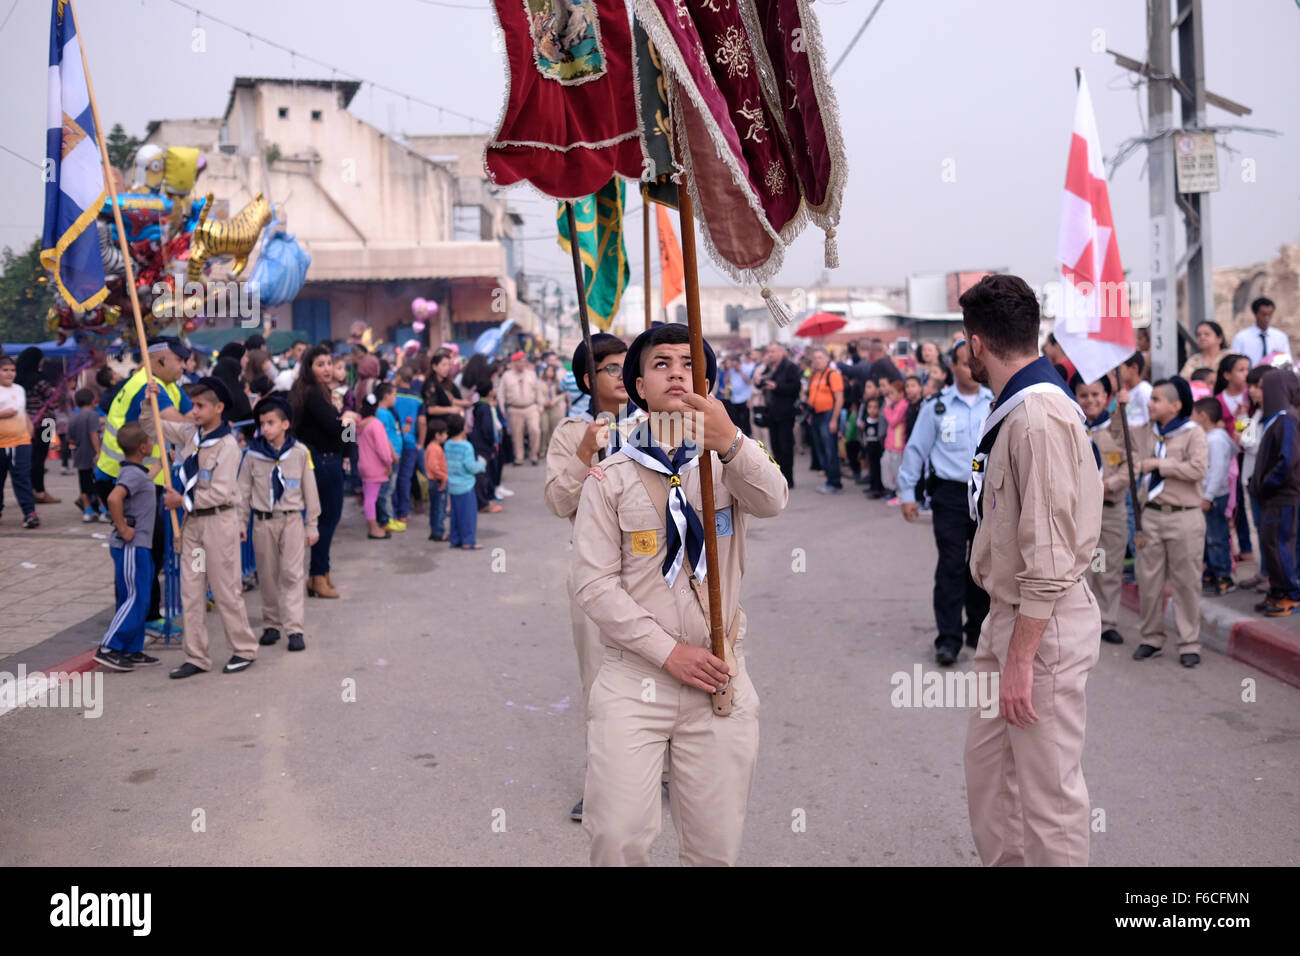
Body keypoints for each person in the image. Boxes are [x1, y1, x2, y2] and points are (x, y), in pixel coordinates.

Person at [571, 322, 788, 866]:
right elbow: (593, 583)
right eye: (661, 363)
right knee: (617, 836)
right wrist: (668, 652)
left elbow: (773, 501)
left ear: (709, 383)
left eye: (690, 364)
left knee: (714, 847)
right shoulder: (610, 476)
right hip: (635, 677)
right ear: (637, 385)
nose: (676, 373)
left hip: (718, 676)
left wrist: (732, 441)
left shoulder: (730, 461)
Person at [960, 274, 1103, 867]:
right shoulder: (1017, 405)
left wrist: (1020, 658)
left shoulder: (1037, 416)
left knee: (1048, 800)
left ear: (975, 344)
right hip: (1008, 616)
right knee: (991, 782)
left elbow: (1046, 556)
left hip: (1039, 625)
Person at [543, 332, 630, 822]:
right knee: (601, 681)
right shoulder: (571, 432)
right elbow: (558, 501)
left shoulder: (654, 425)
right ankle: (603, 782)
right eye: (610, 368)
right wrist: (584, 453)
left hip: (654, 570)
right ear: (586, 380)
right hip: (596, 573)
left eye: (626, 365)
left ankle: (661, 766)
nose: (622, 375)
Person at [158, 377, 261, 679]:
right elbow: (156, 427)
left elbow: (219, 492)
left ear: (219, 408)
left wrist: (182, 501)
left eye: (201, 406)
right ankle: (197, 655)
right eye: (193, 405)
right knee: (191, 590)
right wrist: (148, 400)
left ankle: (243, 649)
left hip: (217, 523)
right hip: (194, 528)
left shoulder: (228, 446)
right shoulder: (192, 434)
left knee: (226, 589)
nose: (195, 411)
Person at [899, 340, 994, 665]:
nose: (974, 368)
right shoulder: (936, 406)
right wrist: (907, 493)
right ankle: (949, 638)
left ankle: (978, 630)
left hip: (987, 495)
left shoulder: (994, 403)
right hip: (950, 495)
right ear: (953, 367)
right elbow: (916, 449)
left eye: (977, 361)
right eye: (967, 363)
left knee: (981, 566)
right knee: (952, 565)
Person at [95, 337, 194, 635]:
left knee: (153, 549)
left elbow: (190, 416)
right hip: (121, 479)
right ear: (161, 359)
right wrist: (202, 423)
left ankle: (143, 614)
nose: (184, 366)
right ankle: (134, 621)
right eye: (180, 360)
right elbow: (181, 422)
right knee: (138, 551)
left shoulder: (170, 386)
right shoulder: (147, 386)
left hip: (148, 476)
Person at [93, 422, 184, 671]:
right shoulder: (132, 474)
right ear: (143, 447)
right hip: (133, 546)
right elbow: (114, 498)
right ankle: (109, 647)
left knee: (137, 599)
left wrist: (161, 463)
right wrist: (123, 528)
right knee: (135, 599)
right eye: (150, 441)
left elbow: (145, 481)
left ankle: (131, 649)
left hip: (139, 545)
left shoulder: (135, 471)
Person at [1132, 378, 1208, 667]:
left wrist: (1160, 465)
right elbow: (1116, 432)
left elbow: (1198, 469)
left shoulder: (1192, 433)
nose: (1150, 404)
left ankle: (1189, 641)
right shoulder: (1146, 433)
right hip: (1150, 515)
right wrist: (1123, 403)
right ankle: (1150, 637)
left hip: (1184, 516)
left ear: (1176, 405)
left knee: (1186, 582)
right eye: (1150, 399)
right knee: (1148, 580)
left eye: (1156, 400)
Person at [239, 395, 321, 653]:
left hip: (292, 520)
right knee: (267, 574)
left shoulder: (299, 453)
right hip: (263, 522)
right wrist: (241, 522)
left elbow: (311, 490)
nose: (266, 428)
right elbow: (242, 491)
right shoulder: (252, 455)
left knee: (293, 574)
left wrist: (312, 524)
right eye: (262, 423)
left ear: (285, 424)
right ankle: (271, 624)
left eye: (271, 422)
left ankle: (294, 628)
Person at [1073, 373, 1128, 644]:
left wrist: (1109, 485)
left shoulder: (1117, 427)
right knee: (1078, 566)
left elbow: (1130, 465)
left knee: (1105, 563)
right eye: (1084, 395)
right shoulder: (1071, 427)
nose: (1090, 400)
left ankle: (1106, 620)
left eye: (1096, 395)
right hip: (1077, 509)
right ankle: (1080, 619)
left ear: (1106, 397)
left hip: (1109, 508)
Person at [289, 345, 345, 599]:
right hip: (324, 463)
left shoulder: (317, 392)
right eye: (320, 364)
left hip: (324, 461)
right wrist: (349, 423)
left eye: (329, 363)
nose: (327, 368)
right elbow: (335, 430)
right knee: (326, 521)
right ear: (309, 368)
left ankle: (320, 574)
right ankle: (318, 575)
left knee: (326, 521)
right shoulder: (313, 394)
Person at [1247, 369, 1300, 616]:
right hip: (1271, 496)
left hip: (1281, 496)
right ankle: (1277, 591)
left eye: (1263, 386)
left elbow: (1286, 461)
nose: (1259, 392)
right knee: (1270, 545)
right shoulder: (1273, 418)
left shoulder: (1287, 419)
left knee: (1280, 546)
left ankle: (1290, 594)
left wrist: (1267, 483)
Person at [1194, 397, 1236, 595]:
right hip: (1209, 496)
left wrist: (1208, 497)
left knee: (1216, 537)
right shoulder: (1213, 436)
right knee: (1207, 536)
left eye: (1194, 414)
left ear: (1203, 416)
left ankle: (1223, 576)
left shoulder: (1216, 439)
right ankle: (1211, 572)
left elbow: (1218, 471)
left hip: (1214, 497)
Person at [15, 348, 59, 505]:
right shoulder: (39, 380)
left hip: (24, 423)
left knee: (29, 458)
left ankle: (32, 490)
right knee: (40, 458)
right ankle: (40, 491)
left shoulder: (17, 380)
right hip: (46, 423)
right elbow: (53, 400)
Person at [0, 354, 39, 528]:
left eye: (12, 370)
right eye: (5, 370)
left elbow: (23, 411)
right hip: (1, 444)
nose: (9, 374)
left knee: (22, 477)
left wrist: (30, 429)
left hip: (21, 442)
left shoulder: (19, 389)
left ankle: (29, 513)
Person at [756, 341, 800, 488]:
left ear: (781, 352)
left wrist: (777, 386)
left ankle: (789, 478)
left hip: (785, 412)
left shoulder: (790, 367)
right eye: (769, 351)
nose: (770, 354)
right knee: (775, 445)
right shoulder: (769, 367)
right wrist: (758, 382)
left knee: (785, 446)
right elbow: (761, 383)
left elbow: (795, 388)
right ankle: (779, 476)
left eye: (773, 351)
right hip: (771, 412)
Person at [357, 389, 397, 540]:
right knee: (371, 498)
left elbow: (347, 439)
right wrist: (389, 463)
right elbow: (383, 449)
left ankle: (373, 525)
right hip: (375, 467)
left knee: (369, 496)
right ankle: (373, 528)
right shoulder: (376, 425)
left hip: (363, 465)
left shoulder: (358, 425)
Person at [444, 412, 486, 549]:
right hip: (466, 486)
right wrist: (482, 464)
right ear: (462, 428)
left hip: (452, 485)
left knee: (455, 514)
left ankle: (455, 539)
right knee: (468, 515)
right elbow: (470, 467)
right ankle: (468, 541)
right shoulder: (466, 446)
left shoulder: (447, 445)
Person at [805, 347, 844, 494]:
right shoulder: (815, 375)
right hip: (815, 415)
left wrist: (834, 420)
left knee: (830, 449)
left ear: (827, 359)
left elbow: (839, 398)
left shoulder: (833, 375)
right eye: (815, 358)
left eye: (820, 357)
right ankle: (829, 479)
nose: (817, 360)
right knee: (820, 449)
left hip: (828, 415)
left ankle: (834, 482)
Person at [500, 351, 542, 466]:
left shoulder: (531, 374)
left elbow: (538, 390)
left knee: (535, 430)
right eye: (520, 361)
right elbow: (501, 393)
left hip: (531, 407)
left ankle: (533, 455)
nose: (523, 363)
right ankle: (519, 457)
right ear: (514, 363)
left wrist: (540, 405)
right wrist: (502, 407)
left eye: (524, 361)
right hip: (514, 409)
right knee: (516, 434)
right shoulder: (506, 376)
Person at [67, 388, 104, 522]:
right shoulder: (93, 415)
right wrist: (98, 451)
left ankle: (88, 511)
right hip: (92, 455)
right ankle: (103, 510)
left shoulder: (73, 417)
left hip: (79, 455)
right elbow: (94, 433)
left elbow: (70, 439)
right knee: (97, 483)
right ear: (93, 401)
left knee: (84, 484)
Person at [469, 378, 503, 514]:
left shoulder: (479, 405)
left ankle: (485, 501)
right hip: (483, 445)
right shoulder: (484, 407)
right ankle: (484, 503)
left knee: (483, 474)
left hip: (479, 443)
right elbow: (487, 428)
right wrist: (492, 443)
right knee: (484, 474)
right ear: (490, 392)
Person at [1230, 297, 1291, 367]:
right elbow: (1234, 362)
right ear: (1255, 314)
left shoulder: (1281, 337)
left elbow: (1287, 360)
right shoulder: (1241, 337)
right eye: (1263, 314)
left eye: (1270, 314)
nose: (1266, 318)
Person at [881, 379, 908, 502]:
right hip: (890, 443)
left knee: (897, 469)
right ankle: (891, 490)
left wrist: (887, 408)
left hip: (898, 444)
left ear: (901, 393)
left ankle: (900, 493)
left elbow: (893, 421)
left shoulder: (903, 405)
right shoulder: (896, 405)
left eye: (892, 393)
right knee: (886, 465)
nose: (890, 396)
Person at [424, 417, 449, 541]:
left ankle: (434, 531)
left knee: (435, 507)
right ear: (437, 435)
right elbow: (433, 467)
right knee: (439, 508)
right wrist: (444, 477)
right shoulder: (435, 448)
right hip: (437, 481)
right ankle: (439, 532)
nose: (446, 436)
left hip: (434, 481)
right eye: (444, 433)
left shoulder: (431, 447)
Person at [538, 362, 567, 457]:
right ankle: (542, 449)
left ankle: (552, 450)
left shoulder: (557, 382)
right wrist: (544, 402)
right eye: (548, 371)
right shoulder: (540, 382)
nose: (550, 373)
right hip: (544, 408)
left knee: (554, 429)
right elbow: (538, 395)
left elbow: (562, 393)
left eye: (551, 371)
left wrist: (554, 401)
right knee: (544, 429)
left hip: (554, 407)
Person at [860, 395, 885, 499]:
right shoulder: (866, 421)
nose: (872, 410)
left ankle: (878, 489)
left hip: (878, 448)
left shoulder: (880, 422)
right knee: (871, 468)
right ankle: (872, 486)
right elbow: (864, 435)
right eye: (870, 407)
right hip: (869, 448)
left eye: (875, 407)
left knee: (878, 469)